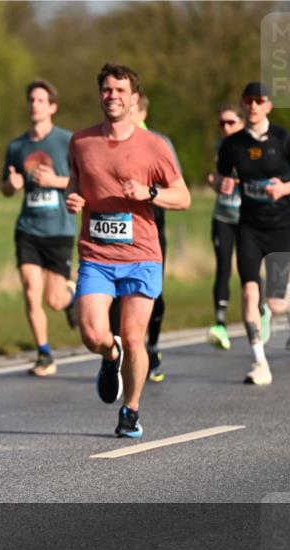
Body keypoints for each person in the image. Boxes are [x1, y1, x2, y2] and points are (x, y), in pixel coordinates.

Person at [66, 63, 190, 438]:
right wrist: (72, 198)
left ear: (134, 99)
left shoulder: (155, 146)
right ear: (99, 94)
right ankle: (109, 355)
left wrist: (150, 193)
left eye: (121, 91)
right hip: (97, 256)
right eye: (107, 89)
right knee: (91, 331)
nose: (113, 96)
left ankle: (131, 410)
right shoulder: (81, 142)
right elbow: (76, 182)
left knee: (134, 336)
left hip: (142, 256)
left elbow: (183, 197)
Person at [217, 82, 290, 385]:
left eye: (259, 100)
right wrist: (221, 185)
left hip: (282, 225)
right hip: (248, 225)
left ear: (268, 106)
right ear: (243, 103)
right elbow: (221, 178)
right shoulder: (232, 145)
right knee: (249, 293)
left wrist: (287, 187)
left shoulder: (282, 139)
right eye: (248, 100)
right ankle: (259, 362)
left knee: (276, 304)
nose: (253, 105)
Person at [1, 80, 76, 377]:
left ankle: (72, 291)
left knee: (54, 300)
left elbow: (81, 182)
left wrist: (54, 181)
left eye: (41, 100)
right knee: (32, 291)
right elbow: (6, 189)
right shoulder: (17, 146)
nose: (34, 104)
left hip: (59, 228)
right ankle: (44, 354)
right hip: (28, 228)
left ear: (52, 107)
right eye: (31, 99)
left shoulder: (68, 142)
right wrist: (12, 184)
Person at [108, 92, 183, 382]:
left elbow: (176, 186)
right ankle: (119, 353)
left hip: (151, 226)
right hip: (116, 225)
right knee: (117, 292)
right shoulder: (109, 140)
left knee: (153, 293)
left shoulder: (158, 143)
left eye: (133, 109)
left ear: (141, 111)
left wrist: (148, 190)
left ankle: (150, 345)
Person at [206, 105, 245, 350]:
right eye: (222, 124)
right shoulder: (221, 148)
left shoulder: (251, 145)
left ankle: (258, 313)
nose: (226, 128)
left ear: (241, 123)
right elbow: (215, 178)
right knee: (223, 267)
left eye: (231, 122)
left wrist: (239, 180)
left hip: (248, 218)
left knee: (247, 269)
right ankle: (220, 324)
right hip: (222, 216)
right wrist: (216, 182)